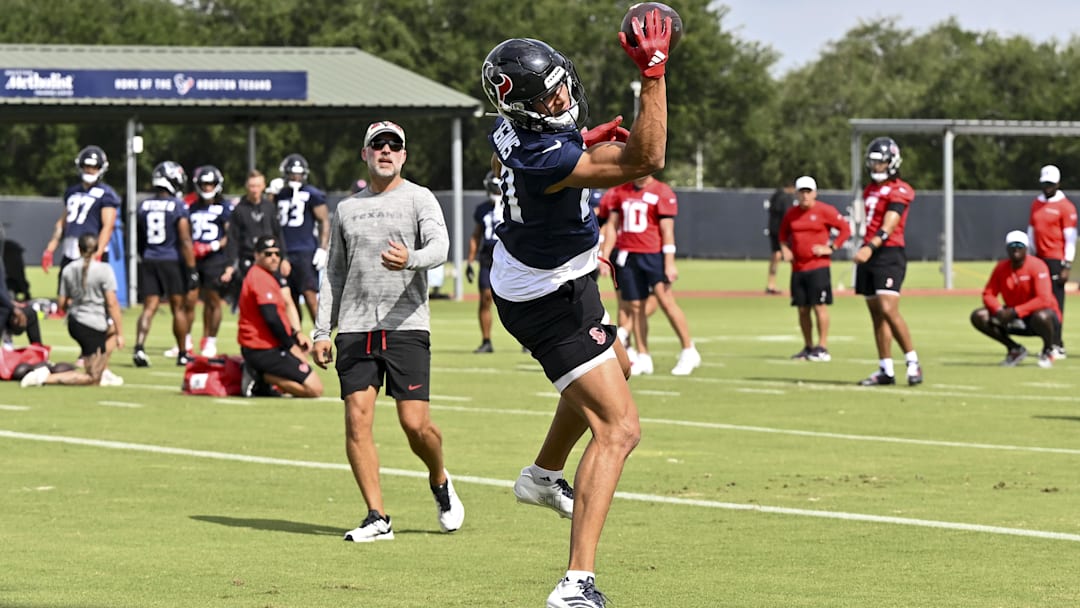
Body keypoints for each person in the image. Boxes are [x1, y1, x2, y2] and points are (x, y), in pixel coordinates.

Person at [480, 10, 672, 606]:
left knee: (621, 366)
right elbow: (647, 160)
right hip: (546, 297)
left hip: (561, 273)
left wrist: (579, 143)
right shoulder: (543, 158)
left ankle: (541, 477)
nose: (567, 94)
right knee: (619, 427)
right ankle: (575, 582)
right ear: (530, 106)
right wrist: (654, 73)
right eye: (554, 90)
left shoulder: (511, 131)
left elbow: (508, 160)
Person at [312, 120, 464, 543]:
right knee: (356, 423)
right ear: (365, 154)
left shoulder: (420, 198)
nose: (385, 151)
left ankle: (439, 478)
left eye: (393, 145)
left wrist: (411, 259)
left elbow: (440, 248)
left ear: (403, 155)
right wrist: (322, 331)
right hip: (356, 330)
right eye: (376, 145)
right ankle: (377, 516)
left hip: (406, 326)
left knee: (415, 425)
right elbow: (334, 273)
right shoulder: (346, 209)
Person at [598, 173, 701, 376]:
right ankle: (644, 355)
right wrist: (605, 256)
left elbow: (668, 231)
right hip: (628, 255)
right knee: (635, 307)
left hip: (653, 255)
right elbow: (612, 225)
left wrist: (669, 263)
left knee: (666, 301)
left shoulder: (661, 191)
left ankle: (688, 349)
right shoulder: (621, 191)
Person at [853, 137, 922, 386]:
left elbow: (889, 225)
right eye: (872, 163)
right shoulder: (869, 189)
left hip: (888, 253)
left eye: (879, 163)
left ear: (892, 163)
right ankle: (886, 369)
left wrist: (870, 247)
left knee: (888, 309)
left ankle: (913, 362)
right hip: (868, 253)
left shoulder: (900, 190)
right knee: (876, 315)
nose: (875, 167)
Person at [21, 234, 125, 387]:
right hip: (93, 324)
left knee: (110, 333)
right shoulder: (104, 269)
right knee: (92, 379)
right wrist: (121, 334)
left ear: (79, 249)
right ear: (97, 249)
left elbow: (62, 303)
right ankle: (43, 378)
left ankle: (103, 369)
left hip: (75, 322)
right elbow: (112, 303)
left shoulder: (69, 269)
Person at [237, 235, 323, 398]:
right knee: (314, 389)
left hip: (269, 346)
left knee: (307, 376)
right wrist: (291, 346)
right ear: (256, 255)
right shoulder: (259, 277)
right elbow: (271, 318)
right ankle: (259, 376)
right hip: (262, 349)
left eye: (277, 254)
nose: (274, 258)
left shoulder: (268, 275)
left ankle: (262, 379)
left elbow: (282, 311)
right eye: (268, 254)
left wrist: (296, 334)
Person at [779, 176, 851, 362]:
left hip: (818, 266)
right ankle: (808, 346)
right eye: (801, 192)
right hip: (798, 268)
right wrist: (785, 249)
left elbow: (845, 229)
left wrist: (831, 248)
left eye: (808, 191)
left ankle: (822, 347)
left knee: (819, 306)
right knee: (802, 309)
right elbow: (782, 235)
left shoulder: (825, 210)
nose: (805, 195)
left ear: (815, 193)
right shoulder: (791, 214)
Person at [132, 161, 197, 367]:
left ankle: (139, 348)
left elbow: (139, 237)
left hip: (150, 259)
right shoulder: (178, 206)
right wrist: (192, 269)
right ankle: (183, 352)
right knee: (178, 308)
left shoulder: (144, 205)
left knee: (149, 307)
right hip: (171, 260)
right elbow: (185, 240)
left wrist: (146, 255)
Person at [970, 230, 1060, 368]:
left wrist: (1015, 312)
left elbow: (1044, 299)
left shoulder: (1037, 266)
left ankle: (1047, 350)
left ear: (1026, 248)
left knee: (1042, 316)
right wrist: (998, 310)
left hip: (1037, 317)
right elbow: (988, 294)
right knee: (979, 316)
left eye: (1019, 245)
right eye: (1012, 245)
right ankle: (1014, 349)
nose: (1016, 248)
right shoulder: (1001, 268)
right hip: (1012, 315)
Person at [41, 146, 120, 282]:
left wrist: (98, 252)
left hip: (91, 248)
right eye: (86, 166)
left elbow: (108, 226)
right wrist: (50, 249)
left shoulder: (106, 194)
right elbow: (62, 223)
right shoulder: (72, 191)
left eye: (94, 166)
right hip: (70, 248)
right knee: (64, 295)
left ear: (101, 168)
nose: (90, 169)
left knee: (94, 297)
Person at [181, 165, 234, 358]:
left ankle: (210, 341)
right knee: (190, 300)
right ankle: (185, 339)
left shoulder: (225, 207)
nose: (207, 187)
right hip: (194, 259)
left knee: (213, 301)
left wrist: (212, 246)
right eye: (204, 184)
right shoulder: (191, 206)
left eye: (211, 184)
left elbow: (230, 234)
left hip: (214, 259)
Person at [1026, 164, 1076, 359]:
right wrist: (1030, 255)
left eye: (1051, 184)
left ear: (1058, 184)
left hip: (1056, 259)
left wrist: (1067, 264)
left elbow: (1070, 237)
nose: (1047, 187)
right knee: (1040, 302)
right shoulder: (1036, 203)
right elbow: (1031, 230)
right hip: (1038, 259)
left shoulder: (1066, 206)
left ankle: (1058, 342)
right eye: (1045, 183)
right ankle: (1048, 341)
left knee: (1056, 301)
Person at [274, 153, 329, 325]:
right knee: (289, 299)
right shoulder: (279, 194)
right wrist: (270, 192)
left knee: (310, 296)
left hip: (305, 251)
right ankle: (297, 342)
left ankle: (321, 336)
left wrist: (322, 247)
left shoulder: (312, 194)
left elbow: (324, 220)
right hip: (284, 252)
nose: (295, 177)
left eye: (298, 173)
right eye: (292, 173)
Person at [229, 170, 290, 283]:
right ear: (247, 186)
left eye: (257, 186)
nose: (254, 190)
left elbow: (278, 233)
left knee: (281, 291)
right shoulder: (239, 209)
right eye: (252, 186)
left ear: (263, 186)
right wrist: (232, 263)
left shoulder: (270, 207)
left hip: (270, 257)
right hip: (248, 258)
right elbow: (233, 238)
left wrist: (284, 258)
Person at [465, 170, 502, 353]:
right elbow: (476, 235)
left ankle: (527, 342)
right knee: (485, 298)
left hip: (509, 255)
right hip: (488, 257)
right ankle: (486, 340)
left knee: (520, 298)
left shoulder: (514, 206)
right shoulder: (482, 209)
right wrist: (470, 261)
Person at [765, 180, 796, 295]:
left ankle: (770, 284)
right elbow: (788, 214)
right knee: (791, 256)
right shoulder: (786, 198)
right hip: (782, 230)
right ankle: (798, 284)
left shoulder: (775, 195)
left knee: (775, 255)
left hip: (773, 229)